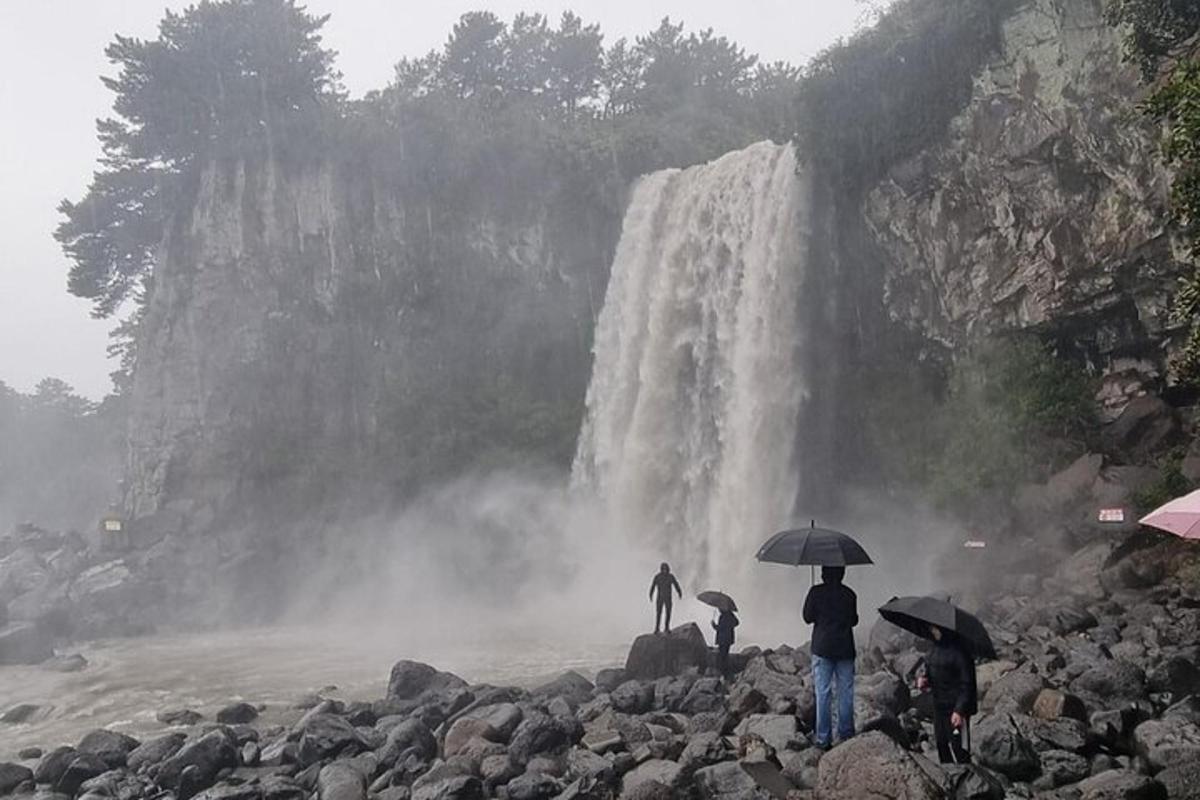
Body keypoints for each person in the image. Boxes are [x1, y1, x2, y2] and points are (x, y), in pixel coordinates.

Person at [802, 565, 858, 748]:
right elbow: (853, 620)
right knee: (845, 693)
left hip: (823, 648)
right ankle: (846, 734)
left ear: (823, 574)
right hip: (845, 649)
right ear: (843, 574)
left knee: (823, 693)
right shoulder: (850, 594)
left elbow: (807, 617)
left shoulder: (816, 592)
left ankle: (823, 738)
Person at [917, 624, 977, 764]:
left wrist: (959, 710)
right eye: (931, 628)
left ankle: (967, 778)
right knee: (942, 745)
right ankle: (950, 779)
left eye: (934, 628)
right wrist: (924, 681)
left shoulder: (961, 652)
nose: (932, 631)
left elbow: (967, 684)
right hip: (939, 707)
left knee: (960, 749)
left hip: (956, 709)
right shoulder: (933, 650)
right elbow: (930, 674)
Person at [649, 562, 683, 633]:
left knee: (668, 613)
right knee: (659, 613)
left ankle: (666, 627)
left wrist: (679, 592)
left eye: (666, 569)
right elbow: (653, 586)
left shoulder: (670, 577)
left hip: (668, 598)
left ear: (668, 569)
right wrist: (650, 595)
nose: (664, 570)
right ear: (661, 569)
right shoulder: (657, 577)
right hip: (660, 598)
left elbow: (676, 585)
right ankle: (657, 628)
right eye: (663, 569)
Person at [712, 606, 740, 677]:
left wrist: (714, 625)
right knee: (725, 655)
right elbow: (737, 623)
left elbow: (720, 628)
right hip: (729, 639)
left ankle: (724, 673)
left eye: (720, 608)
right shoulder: (730, 615)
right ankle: (726, 673)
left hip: (722, 639)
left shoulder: (723, 616)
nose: (719, 609)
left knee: (722, 656)